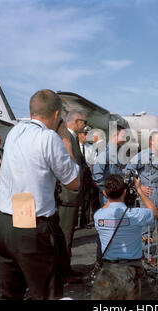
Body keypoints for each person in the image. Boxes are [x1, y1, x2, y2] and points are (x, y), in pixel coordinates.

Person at [0, 89, 80, 300]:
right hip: (30, 225)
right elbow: (74, 182)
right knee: (46, 292)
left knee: (7, 294)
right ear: (57, 115)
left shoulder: (14, 132)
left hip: (1, 223)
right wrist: (65, 138)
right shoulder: (48, 137)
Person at [94, 174, 158, 278]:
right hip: (132, 268)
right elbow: (155, 213)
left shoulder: (98, 216)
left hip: (109, 268)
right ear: (125, 192)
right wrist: (139, 190)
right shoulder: (135, 214)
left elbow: (106, 208)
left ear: (105, 194)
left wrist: (108, 195)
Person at [126, 132, 158, 264]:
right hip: (150, 196)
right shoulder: (143, 155)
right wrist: (139, 187)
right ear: (151, 142)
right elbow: (128, 171)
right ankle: (146, 255)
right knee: (148, 228)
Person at [57, 110, 88, 259]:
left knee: (68, 234)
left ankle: (65, 269)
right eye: (84, 122)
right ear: (76, 122)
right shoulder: (65, 138)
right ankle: (62, 273)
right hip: (67, 197)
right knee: (64, 235)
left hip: (72, 196)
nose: (86, 126)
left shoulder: (72, 138)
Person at [78, 127, 97, 228]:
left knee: (86, 199)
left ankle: (84, 222)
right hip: (76, 176)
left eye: (87, 134)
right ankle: (72, 223)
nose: (86, 136)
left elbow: (94, 163)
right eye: (84, 134)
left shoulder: (90, 148)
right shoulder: (74, 147)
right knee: (75, 200)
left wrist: (94, 178)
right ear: (79, 135)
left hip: (87, 176)